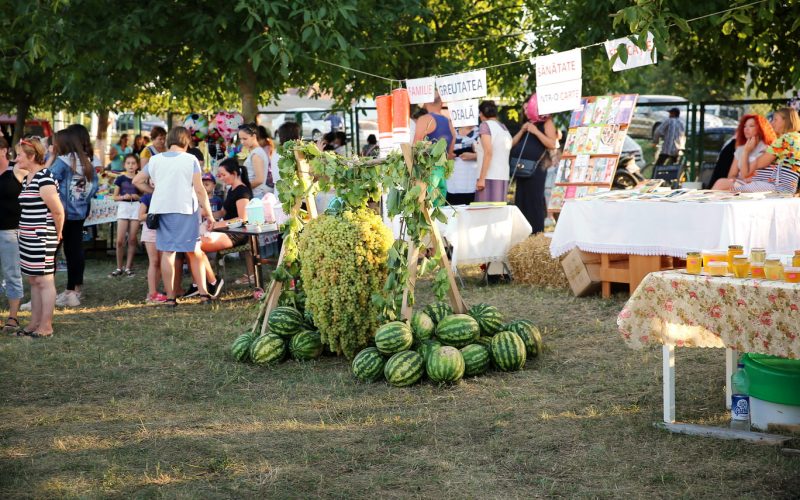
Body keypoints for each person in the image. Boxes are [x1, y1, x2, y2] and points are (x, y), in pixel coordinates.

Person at [133, 126, 216, 306]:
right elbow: (200, 189)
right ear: (186, 141)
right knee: (193, 252)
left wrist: (156, 192)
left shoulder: (154, 160)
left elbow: (137, 181)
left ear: (169, 140)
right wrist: (209, 213)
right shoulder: (190, 159)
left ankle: (170, 297)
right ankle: (203, 294)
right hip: (186, 209)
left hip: (161, 209)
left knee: (168, 253)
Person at [15, 138, 64, 337]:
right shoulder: (28, 177)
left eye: (19, 154)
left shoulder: (44, 178)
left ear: (32, 156)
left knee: (44, 281)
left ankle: (46, 326)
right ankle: (34, 323)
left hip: (41, 236)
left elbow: (58, 211)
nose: (16, 158)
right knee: (34, 280)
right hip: (28, 237)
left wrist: (58, 233)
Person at [48, 126, 99, 307]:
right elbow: (94, 187)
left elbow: (47, 180)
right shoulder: (86, 161)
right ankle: (73, 291)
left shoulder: (62, 161)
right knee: (75, 251)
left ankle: (46, 291)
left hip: (61, 214)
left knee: (50, 252)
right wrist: (82, 202)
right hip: (79, 213)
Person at [200, 159, 256, 283]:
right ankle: (204, 281)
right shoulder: (232, 190)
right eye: (219, 175)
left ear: (234, 173)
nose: (221, 178)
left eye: (223, 175)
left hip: (238, 233)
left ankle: (211, 281)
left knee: (196, 245)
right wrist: (208, 215)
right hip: (228, 230)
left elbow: (242, 219)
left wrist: (218, 224)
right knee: (194, 244)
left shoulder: (242, 192)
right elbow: (223, 212)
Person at [510, 96, 558, 232]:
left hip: (536, 170)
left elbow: (552, 144)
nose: (526, 111)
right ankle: (522, 234)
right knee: (521, 201)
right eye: (524, 109)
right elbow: (511, 144)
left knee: (534, 202)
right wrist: (523, 130)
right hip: (521, 170)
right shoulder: (526, 125)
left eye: (528, 108)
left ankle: (536, 233)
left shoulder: (546, 123)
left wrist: (535, 131)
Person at [736, 107, 800, 193]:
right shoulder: (797, 138)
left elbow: (759, 164)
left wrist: (747, 151)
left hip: (777, 187)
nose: (772, 123)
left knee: (732, 190)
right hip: (788, 187)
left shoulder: (785, 139)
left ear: (786, 121)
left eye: (775, 120)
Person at [711, 114, 776, 190]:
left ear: (761, 128)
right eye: (745, 126)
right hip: (740, 183)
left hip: (760, 185)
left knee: (721, 183)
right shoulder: (740, 149)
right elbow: (731, 175)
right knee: (721, 183)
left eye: (751, 126)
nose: (746, 129)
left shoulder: (768, 149)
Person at [0, 137, 24, 332]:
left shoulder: (16, 171)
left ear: (3, 151)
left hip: (10, 231)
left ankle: (13, 317)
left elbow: (39, 172)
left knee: (12, 274)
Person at [109, 154, 142, 277]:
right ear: (124, 165)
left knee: (133, 239)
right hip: (124, 206)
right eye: (128, 163)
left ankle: (128, 267)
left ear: (137, 165)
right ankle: (119, 267)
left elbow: (145, 195)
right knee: (119, 240)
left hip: (136, 207)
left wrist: (138, 197)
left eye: (133, 163)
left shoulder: (140, 178)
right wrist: (123, 197)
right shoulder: (120, 179)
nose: (131, 166)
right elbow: (114, 197)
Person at [475, 100, 513, 203]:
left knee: (485, 213)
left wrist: (482, 178)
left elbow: (488, 152)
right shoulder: (503, 127)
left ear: (481, 114)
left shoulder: (485, 126)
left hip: (489, 177)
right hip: (502, 176)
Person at [137, 182, 167, 303]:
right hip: (150, 231)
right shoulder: (147, 197)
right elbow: (140, 216)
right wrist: (155, 212)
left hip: (163, 231)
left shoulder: (166, 196)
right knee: (154, 261)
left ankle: (157, 291)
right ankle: (152, 293)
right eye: (152, 178)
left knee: (161, 262)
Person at [413, 92, 456, 158]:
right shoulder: (450, 123)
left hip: (428, 167)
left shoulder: (424, 120)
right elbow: (450, 155)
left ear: (426, 102)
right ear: (442, 103)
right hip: (444, 167)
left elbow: (415, 148)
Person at [446, 126, 478, 205]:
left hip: (472, 179)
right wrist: (448, 155)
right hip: (452, 179)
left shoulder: (480, 132)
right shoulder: (450, 131)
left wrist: (474, 156)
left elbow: (488, 153)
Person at [237, 123, 269, 198]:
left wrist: (241, 188)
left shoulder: (256, 154)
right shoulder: (255, 152)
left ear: (254, 136)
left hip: (256, 195)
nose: (242, 142)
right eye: (240, 139)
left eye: (245, 139)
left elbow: (259, 179)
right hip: (254, 194)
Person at [256, 125, 275, 191]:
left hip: (267, 178)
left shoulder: (267, 147)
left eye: (259, 140)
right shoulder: (267, 145)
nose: (257, 142)